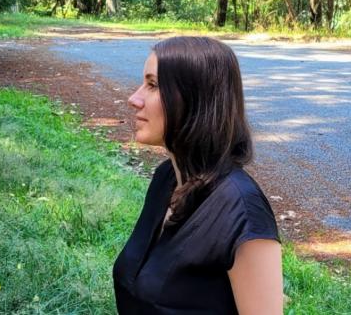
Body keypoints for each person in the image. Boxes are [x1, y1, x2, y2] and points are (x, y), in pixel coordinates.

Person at [113, 36, 283, 314]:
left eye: (153, 85)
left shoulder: (242, 212)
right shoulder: (167, 178)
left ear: (195, 100)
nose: (134, 99)